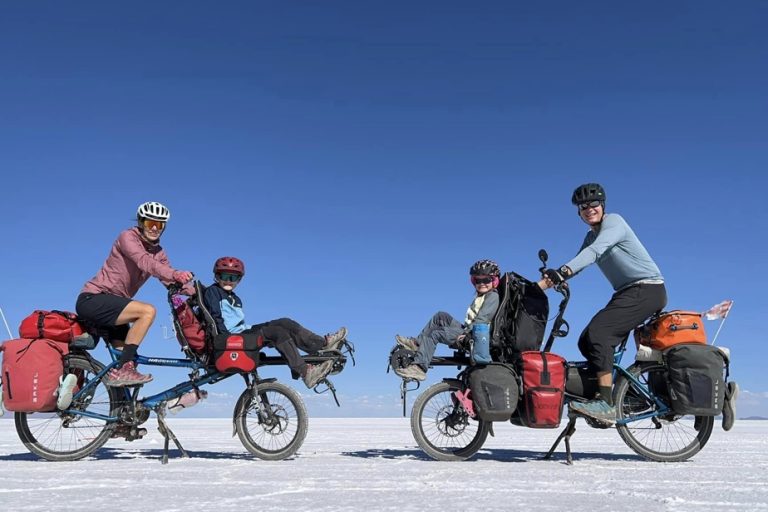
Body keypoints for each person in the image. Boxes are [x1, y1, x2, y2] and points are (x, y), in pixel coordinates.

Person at [537, 183, 667, 425]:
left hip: (647, 289)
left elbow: (596, 252)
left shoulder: (614, 222)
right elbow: (581, 261)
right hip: (627, 292)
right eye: (583, 207)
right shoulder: (590, 235)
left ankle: (607, 403)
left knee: (600, 334)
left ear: (603, 205)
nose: (589, 209)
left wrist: (563, 271)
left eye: (593, 204)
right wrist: (539, 286)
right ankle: (627, 396)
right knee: (586, 341)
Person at [76, 201, 195, 387]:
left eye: (160, 225)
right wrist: (174, 274)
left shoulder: (159, 253)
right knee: (147, 311)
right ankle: (124, 371)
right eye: (150, 223)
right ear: (141, 222)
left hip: (116, 307)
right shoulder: (127, 237)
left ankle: (122, 408)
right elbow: (144, 262)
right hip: (94, 299)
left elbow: (169, 280)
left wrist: (196, 294)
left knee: (127, 360)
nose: (154, 228)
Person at [203, 256, 348, 388]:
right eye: (224, 276)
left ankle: (322, 344)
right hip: (231, 337)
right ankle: (305, 372)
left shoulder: (234, 298)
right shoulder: (213, 292)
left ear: (239, 280)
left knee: (285, 322)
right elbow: (215, 318)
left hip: (243, 331)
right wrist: (226, 340)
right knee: (276, 333)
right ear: (216, 276)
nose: (228, 280)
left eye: (233, 277)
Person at [394, 259, 501, 381]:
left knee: (435, 333)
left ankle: (419, 368)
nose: (482, 283)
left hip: (475, 337)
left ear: (495, 281)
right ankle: (417, 344)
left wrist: (466, 334)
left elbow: (482, 319)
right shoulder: (482, 296)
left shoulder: (493, 296)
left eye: (486, 280)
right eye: (478, 280)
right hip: (469, 330)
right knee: (441, 316)